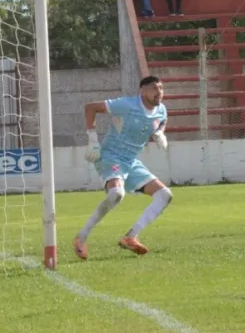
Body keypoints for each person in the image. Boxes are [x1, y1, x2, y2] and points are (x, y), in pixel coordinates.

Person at [74, 76, 172, 259]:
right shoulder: (127, 105)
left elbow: (163, 119)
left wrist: (160, 132)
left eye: (161, 88)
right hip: (111, 156)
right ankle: (81, 238)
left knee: (164, 195)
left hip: (131, 161)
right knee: (116, 194)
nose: (159, 92)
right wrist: (93, 140)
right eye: (153, 88)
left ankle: (130, 237)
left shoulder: (161, 109)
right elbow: (91, 107)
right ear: (142, 91)